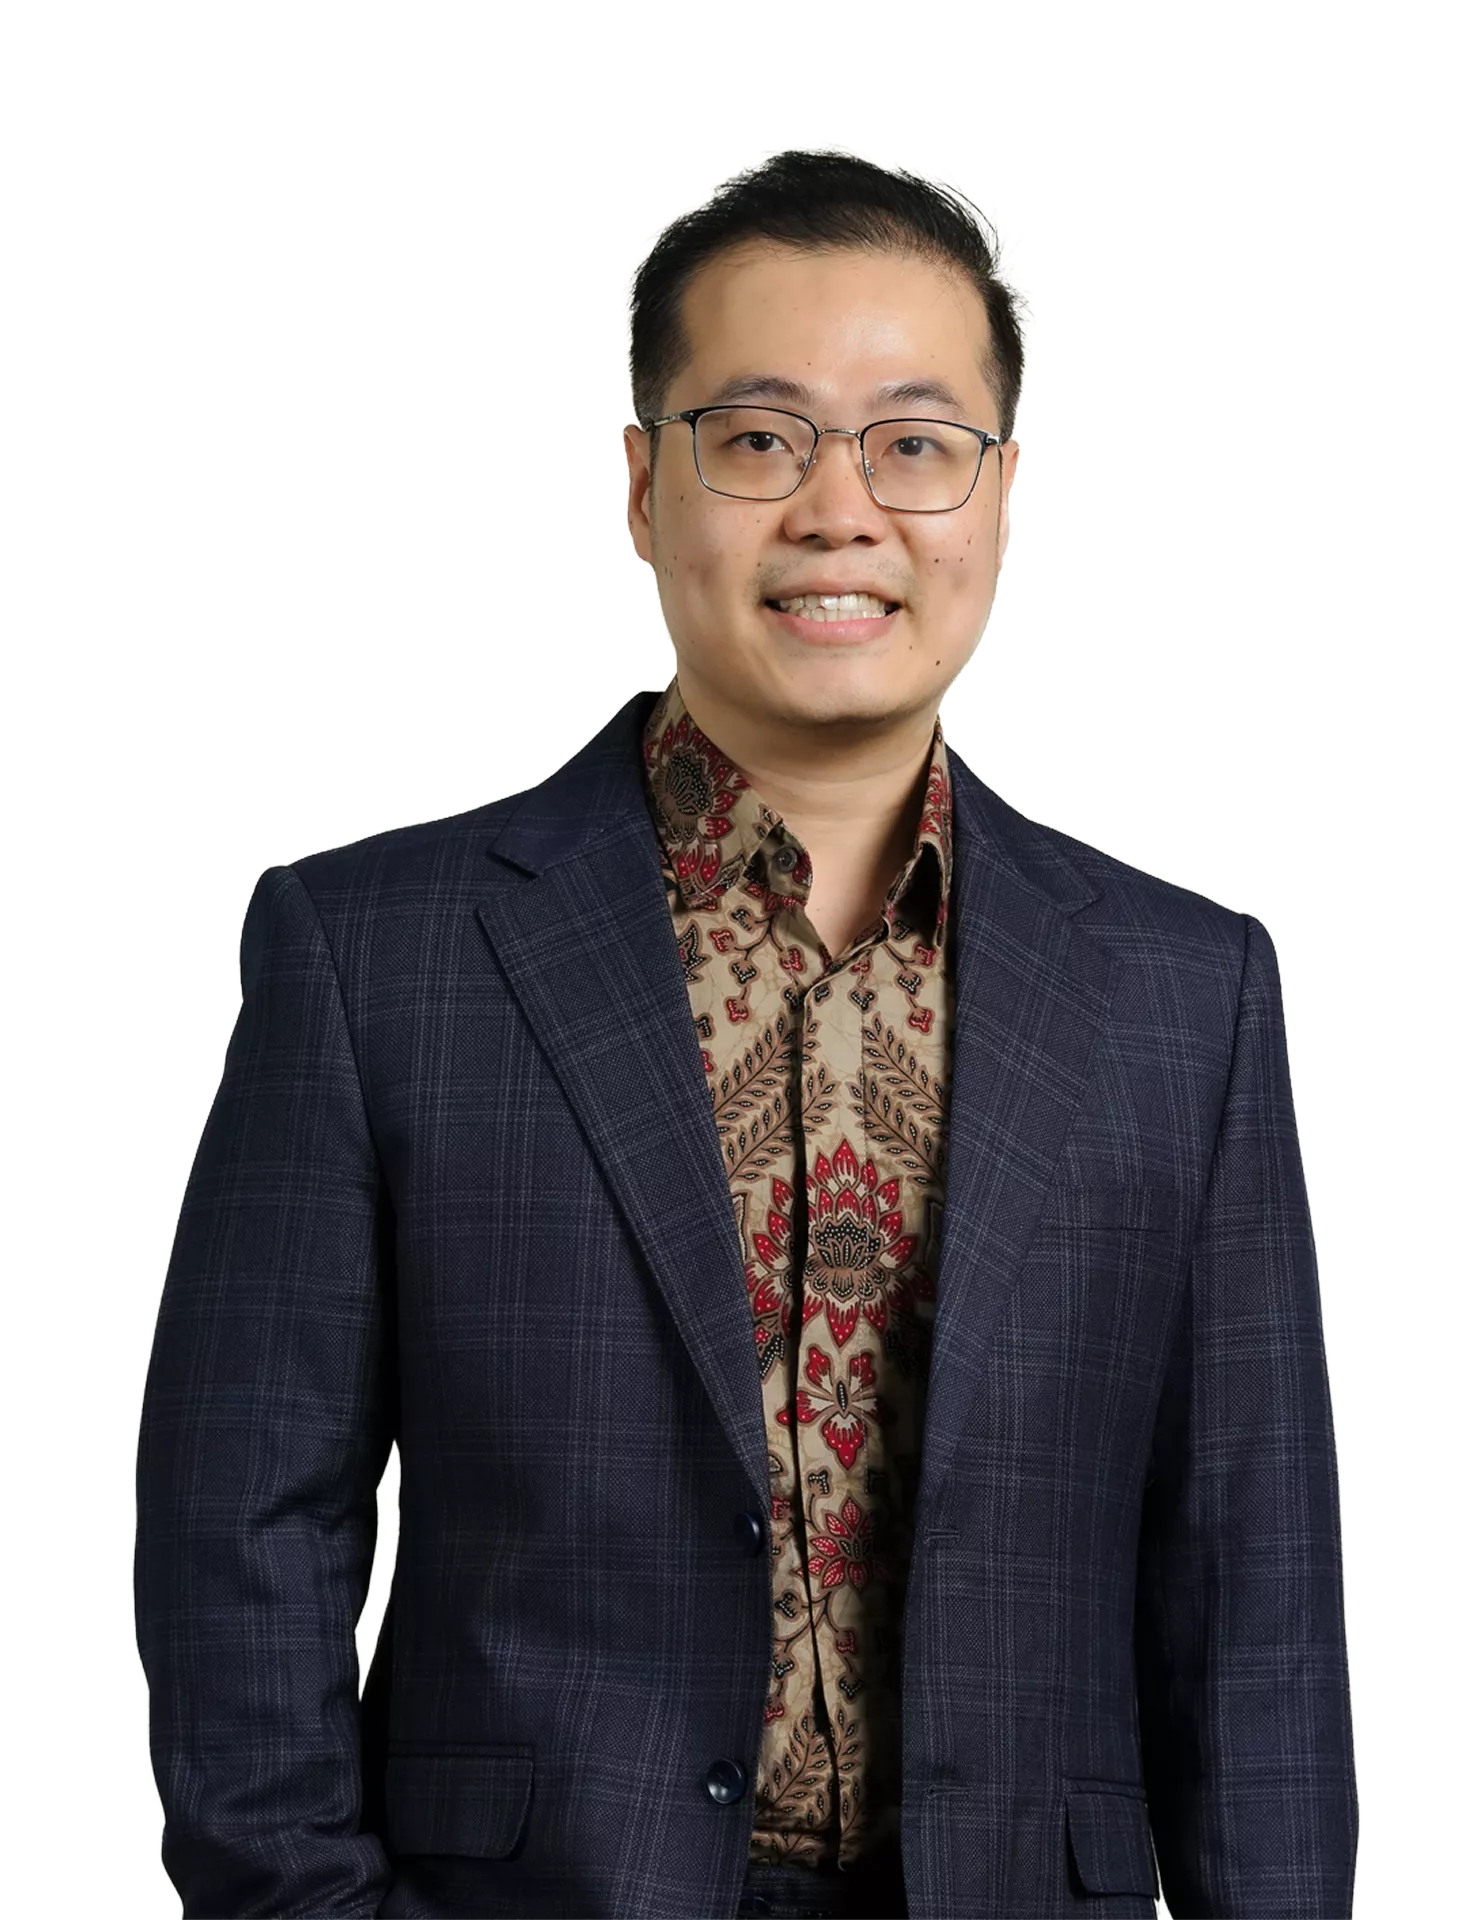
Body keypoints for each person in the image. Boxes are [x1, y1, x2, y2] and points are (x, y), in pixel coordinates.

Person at [133, 144, 1358, 1920]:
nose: (840, 512)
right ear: (643, 485)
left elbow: (1256, 1589)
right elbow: (243, 1517)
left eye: (915, 445)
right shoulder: (374, 953)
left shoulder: (1189, 989)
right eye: (763, 438)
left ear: (1002, 491)